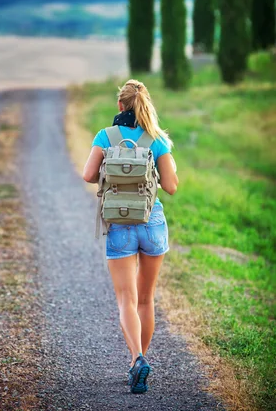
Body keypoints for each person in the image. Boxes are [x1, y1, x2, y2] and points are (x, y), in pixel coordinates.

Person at [82, 79, 178, 394]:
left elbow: (88, 174)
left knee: (127, 299)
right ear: (144, 106)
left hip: (119, 224)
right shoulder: (156, 139)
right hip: (151, 222)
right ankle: (140, 361)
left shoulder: (105, 136)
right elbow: (172, 186)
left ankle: (136, 359)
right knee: (146, 298)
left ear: (120, 106)